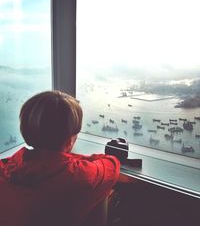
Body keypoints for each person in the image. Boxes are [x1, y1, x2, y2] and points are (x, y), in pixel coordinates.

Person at [0, 91, 120, 226]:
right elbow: (111, 164)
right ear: (69, 141)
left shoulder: (6, 167)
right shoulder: (79, 175)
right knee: (103, 193)